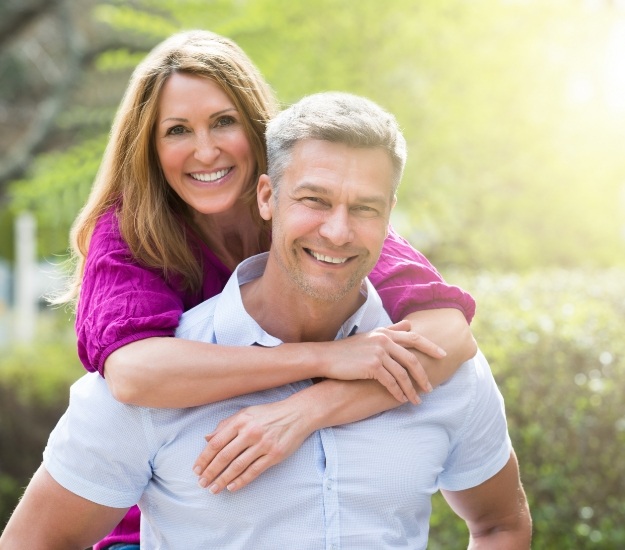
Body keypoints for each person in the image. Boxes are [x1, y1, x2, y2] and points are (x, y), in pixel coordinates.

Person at [1, 91, 531, 549]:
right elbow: (36, 541)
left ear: (390, 215)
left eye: (365, 209)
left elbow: (501, 525)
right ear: (266, 197)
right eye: (313, 200)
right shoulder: (159, 384)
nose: (338, 231)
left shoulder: (439, 364)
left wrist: (307, 410)